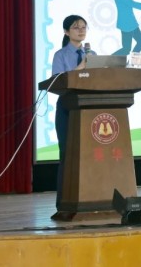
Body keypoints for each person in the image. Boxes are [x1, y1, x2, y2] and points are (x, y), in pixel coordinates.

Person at [50, 14, 95, 214]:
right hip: (68, 110)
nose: (81, 30)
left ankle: (90, 199)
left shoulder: (93, 54)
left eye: (84, 27)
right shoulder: (60, 55)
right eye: (76, 27)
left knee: (90, 155)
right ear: (66, 32)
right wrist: (81, 67)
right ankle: (64, 203)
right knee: (68, 155)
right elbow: (58, 82)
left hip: (89, 110)